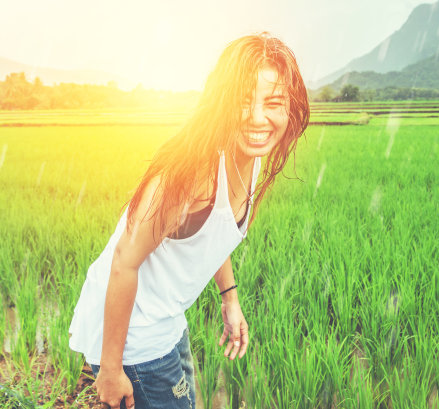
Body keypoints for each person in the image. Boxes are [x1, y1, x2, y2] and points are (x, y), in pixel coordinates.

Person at [68, 32, 310, 409]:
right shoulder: (192, 177)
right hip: (134, 332)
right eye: (244, 102)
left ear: (290, 107)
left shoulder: (251, 155)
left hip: (167, 317)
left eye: (273, 102)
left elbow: (216, 234)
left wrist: (230, 300)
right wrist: (112, 370)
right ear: (221, 104)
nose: (258, 118)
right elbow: (123, 261)